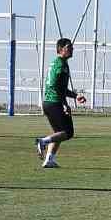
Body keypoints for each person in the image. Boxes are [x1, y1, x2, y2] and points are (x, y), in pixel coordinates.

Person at [35, 38, 86, 168]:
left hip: (48, 102)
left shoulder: (59, 63)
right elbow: (56, 86)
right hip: (54, 102)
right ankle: (43, 141)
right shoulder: (60, 64)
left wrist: (75, 96)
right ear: (61, 49)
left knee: (58, 133)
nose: (72, 49)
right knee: (68, 133)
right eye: (69, 47)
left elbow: (61, 87)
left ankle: (49, 160)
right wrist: (64, 104)